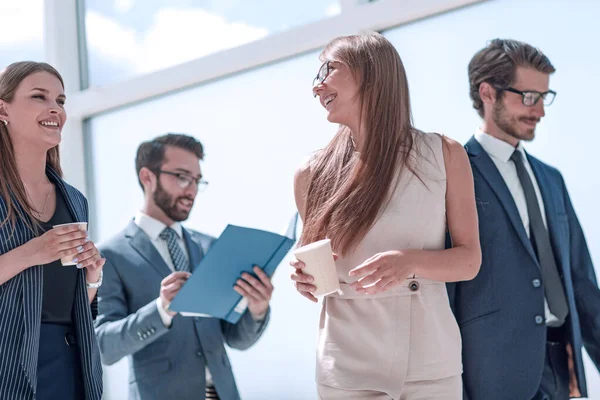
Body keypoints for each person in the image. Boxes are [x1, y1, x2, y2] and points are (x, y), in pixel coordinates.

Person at [289, 32, 481, 400]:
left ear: (370, 72)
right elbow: (316, 269)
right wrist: (305, 280)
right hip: (344, 365)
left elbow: (469, 259)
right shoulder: (310, 173)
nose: (317, 87)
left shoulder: (444, 154)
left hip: (428, 362)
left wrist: (408, 262)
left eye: (329, 70)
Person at [446, 39, 600, 400]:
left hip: (561, 369)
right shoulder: (454, 172)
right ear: (487, 93)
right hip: (491, 376)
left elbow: (581, 282)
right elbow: (446, 295)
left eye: (544, 98)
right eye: (529, 97)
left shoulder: (551, 178)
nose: (540, 111)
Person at [95, 133, 273, 400]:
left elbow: (236, 338)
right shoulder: (110, 255)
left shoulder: (209, 246)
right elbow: (104, 347)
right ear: (147, 177)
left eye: (197, 181)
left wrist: (256, 310)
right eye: (182, 177)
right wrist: (161, 310)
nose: (191, 190)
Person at [0, 61, 104, 399]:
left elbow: (71, 306)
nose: (54, 109)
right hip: (9, 364)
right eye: (39, 97)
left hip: (70, 364)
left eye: (60, 101)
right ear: (3, 110)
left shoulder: (74, 199)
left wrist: (91, 279)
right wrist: (34, 252)